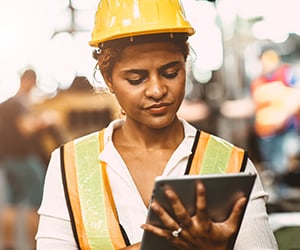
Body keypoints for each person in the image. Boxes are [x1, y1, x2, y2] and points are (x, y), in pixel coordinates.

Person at [36, 1, 278, 249]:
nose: (157, 90)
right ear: (108, 79)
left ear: (185, 63)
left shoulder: (233, 166)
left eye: (171, 73)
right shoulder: (70, 164)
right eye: (136, 79)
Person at [0, 69, 64, 249]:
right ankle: (35, 246)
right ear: (29, 80)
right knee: (35, 203)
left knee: (11, 204)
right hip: (23, 159)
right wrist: (47, 120)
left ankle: (8, 245)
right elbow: (26, 128)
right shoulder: (18, 104)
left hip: (7, 159)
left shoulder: (5, 104)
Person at [250, 47, 300, 176]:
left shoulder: (288, 74)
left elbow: (296, 96)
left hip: (286, 132)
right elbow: (254, 105)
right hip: (266, 135)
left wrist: (282, 116)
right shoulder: (258, 80)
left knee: (284, 167)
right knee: (272, 167)